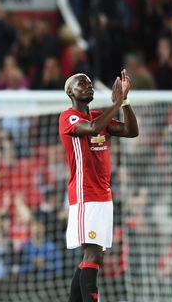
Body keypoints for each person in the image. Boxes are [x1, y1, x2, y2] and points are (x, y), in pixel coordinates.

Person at [60, 70, 138, 302]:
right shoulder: (69, 117)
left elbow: (131, 131)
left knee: (96, 256)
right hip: (85, 195)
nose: (88, 85)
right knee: (92, 253)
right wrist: (116, 104)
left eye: (90, 82)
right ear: (70, 92)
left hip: (104, 196)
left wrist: (125, 102)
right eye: (81, 83)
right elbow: (92, 128)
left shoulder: (99, 116)